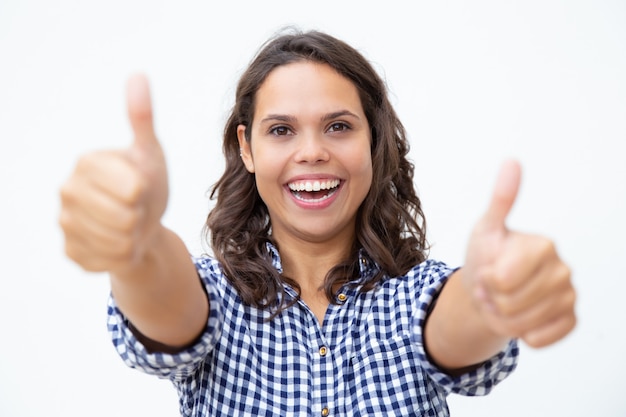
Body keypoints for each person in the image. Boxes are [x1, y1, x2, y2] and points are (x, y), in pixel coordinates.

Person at [59, 29, 577, 416]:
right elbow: (165, 298)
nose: (312, 152)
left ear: (372, 142)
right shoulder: (217, 295)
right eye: (282, 130)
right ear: (247, 148)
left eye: (338, 127)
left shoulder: (414, 296)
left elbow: (459, 322)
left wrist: (493, 296)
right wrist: (138, 245)